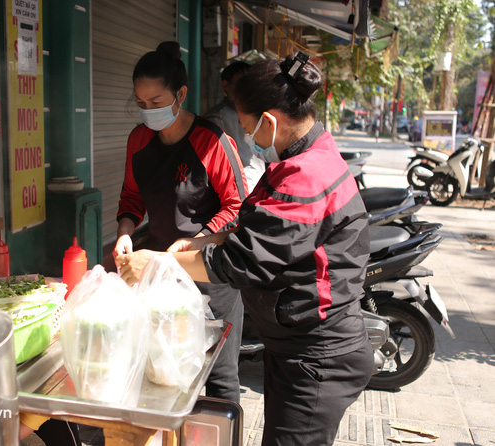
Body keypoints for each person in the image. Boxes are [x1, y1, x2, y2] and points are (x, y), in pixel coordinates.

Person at [116, 52, 373, 446]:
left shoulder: (304, 179)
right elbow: (251, 224)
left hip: (317, 354)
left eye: (248, 127)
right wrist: (203, 239)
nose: (247, 136)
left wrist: (163, 261)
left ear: (268, 122)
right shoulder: (302, 159)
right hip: (295, 346)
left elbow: (240, 260)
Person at [113, 41, 248, 404]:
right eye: (140, 104)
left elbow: (237, 207)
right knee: (161, 369)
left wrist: (198, 241)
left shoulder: (213, 142)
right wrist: (125, 235)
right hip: (157, 276)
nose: (147, 112)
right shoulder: (138, 140)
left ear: (180, 94)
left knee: (219, 376)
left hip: (211, 276)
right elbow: (131, 197)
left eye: (156, 103)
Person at [205, 61, 265, 189]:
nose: (246, 90)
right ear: (226, 85)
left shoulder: (258, 114)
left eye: (250, 84)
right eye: (241, 84)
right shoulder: (217, 118)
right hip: (236, 191)